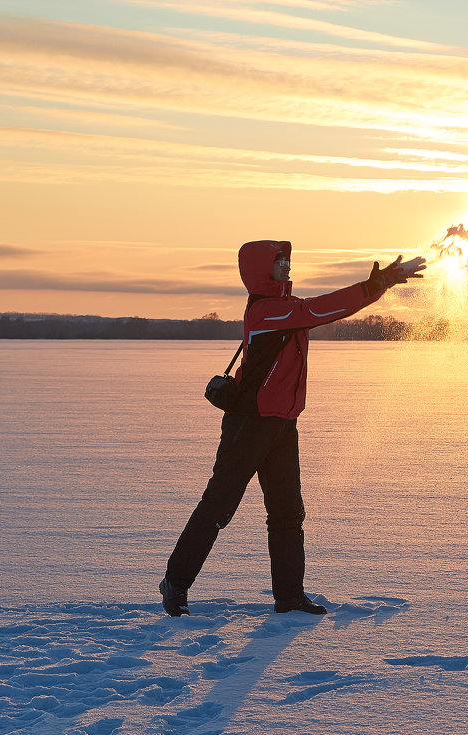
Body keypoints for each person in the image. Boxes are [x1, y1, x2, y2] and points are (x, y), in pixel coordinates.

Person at [159, 240, 425, 617]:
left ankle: (288, 596)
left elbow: (308, 311)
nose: (287, 266)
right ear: (261, 270)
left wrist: (377, 286)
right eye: (279, 261)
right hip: (248, 425)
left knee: (287, 513)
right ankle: (175, 583)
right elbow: (318, 310)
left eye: (287, 260)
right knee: (217, 509)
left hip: (283, 424)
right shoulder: (266, 311)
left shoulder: (284, 308)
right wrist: (374, 286)